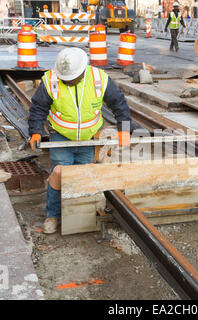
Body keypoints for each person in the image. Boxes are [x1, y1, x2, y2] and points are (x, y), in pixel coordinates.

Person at [28, 48, 131, 234]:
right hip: (61, 135)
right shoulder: (51, 80)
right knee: (60, 172)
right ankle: (53, 216)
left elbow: (119, 103)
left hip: (88, 137)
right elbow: (38, 108)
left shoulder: (99, 79)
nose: (68, 81)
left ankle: (80, 216)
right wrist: (35, 131)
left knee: (83, 175)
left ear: (83, 70)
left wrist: (124, 129)